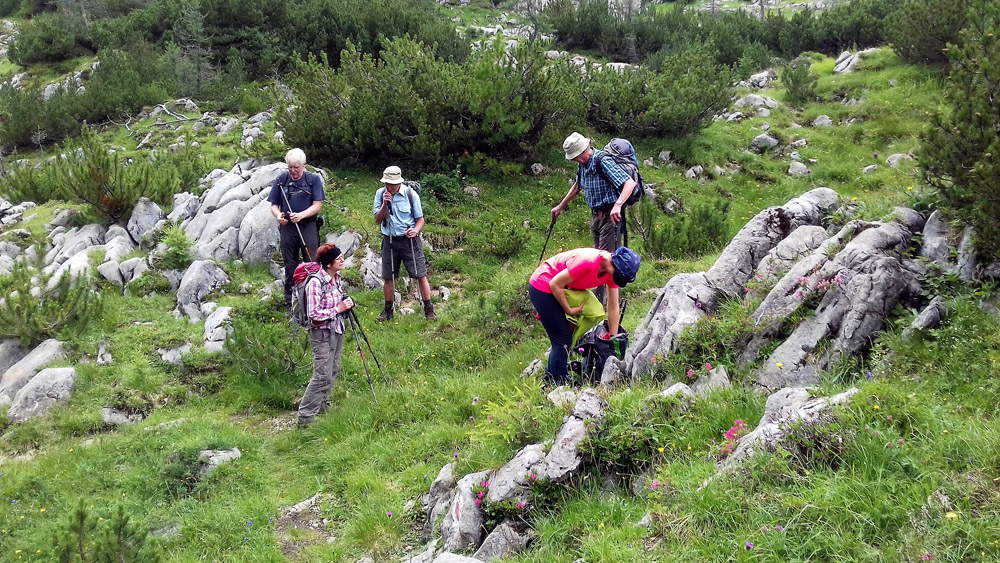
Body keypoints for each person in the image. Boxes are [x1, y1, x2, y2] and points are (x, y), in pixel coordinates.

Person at [528, 246, 640, 386]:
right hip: (543, 285)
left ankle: (551, 376)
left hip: (561, 288)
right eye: (619, 276)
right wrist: (569, 310)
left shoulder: (611, 272)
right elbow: (555, 284)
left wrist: (613, 337)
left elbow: (613, 306)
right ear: (614, 263)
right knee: (562, 339)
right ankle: (558, 383)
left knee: (564, 336)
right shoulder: (588, 262)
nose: (617, 279)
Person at [550, 132, 638, 303]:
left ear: (584, 150)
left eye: (576, 156)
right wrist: (561, 206)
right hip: (595, 216)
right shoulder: (583, 165)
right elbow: (578, 185)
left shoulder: (602, 161)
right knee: (595, 259)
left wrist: (618, 205)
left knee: (605, 263)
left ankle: (603, 307)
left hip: (609, 218)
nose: (575, 159)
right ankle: (598, 303)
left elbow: (629, 183)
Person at [298, 243, 353, 428]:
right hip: (321, 334)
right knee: (322, 375)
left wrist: (346, 303)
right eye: (338, 258)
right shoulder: (315, 283)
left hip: (336, 329)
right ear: (329, 263)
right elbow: (313, 313)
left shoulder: (335, 278)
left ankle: (323, 406)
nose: (342, 260)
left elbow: (336, 301)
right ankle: (305, 417)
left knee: (333, 369)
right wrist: (338, 309)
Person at [372, 165, 436, 321]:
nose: (389, 187)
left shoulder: (410, 194)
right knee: (388, 276)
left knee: (420, 274)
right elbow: (377, 220)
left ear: (399, 182)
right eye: (386, 183)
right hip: (389, 240)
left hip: (409, 241)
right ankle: (388, 311)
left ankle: (429, 309)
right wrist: (384, 205)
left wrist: (415, 230)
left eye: (392, 184)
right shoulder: (380, 194)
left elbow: (420, 219)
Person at [268, 148, 325, 309]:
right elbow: (274, 205)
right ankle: (291, 302)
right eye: (290, 167)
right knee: (290, 264)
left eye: (296, 167)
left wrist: (301, 215)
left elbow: (317, 205)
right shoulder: (281, 180)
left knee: (312, 262)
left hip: (308, 226)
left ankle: (314, 299)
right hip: (288, 228)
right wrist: (278, 215)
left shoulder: (313, 179)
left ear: (304, 165)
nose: (293, 170)